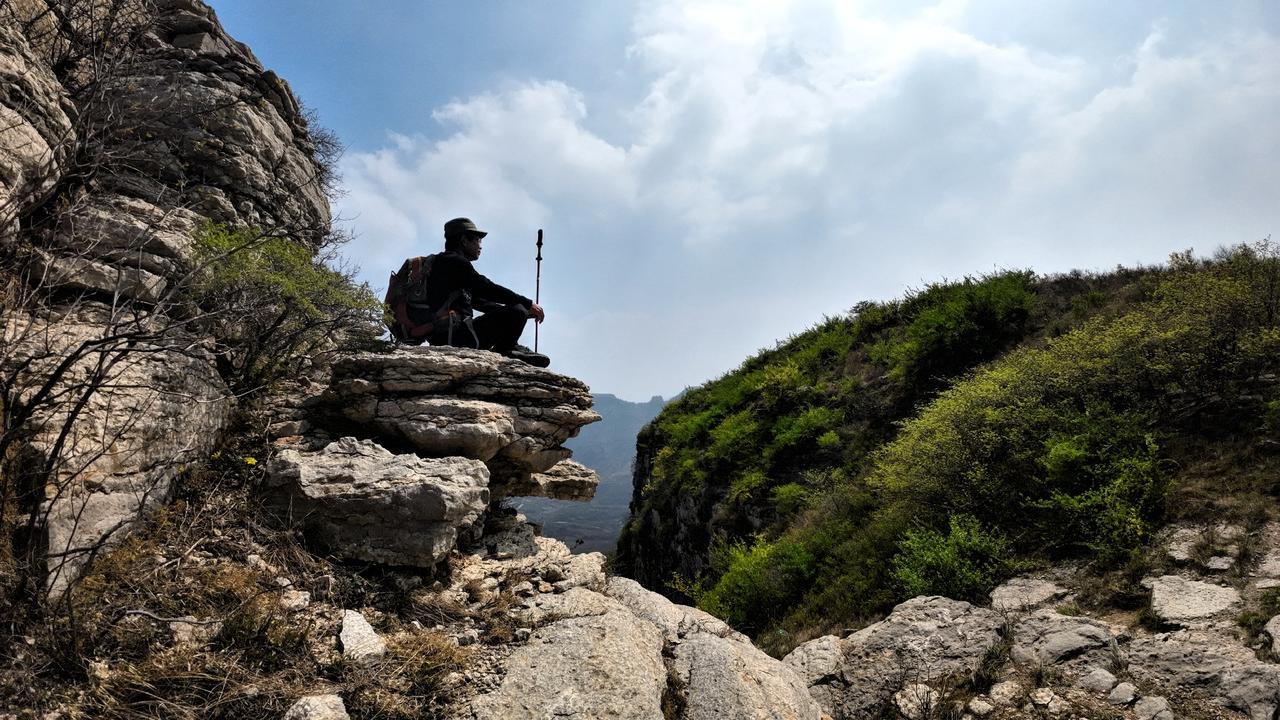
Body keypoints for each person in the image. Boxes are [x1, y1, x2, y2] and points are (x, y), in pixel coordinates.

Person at [410, 217, 549, 367]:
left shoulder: (443, 264)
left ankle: (510, 346)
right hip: (456, 338)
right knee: (518, 310)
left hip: (446, 337)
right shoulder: (454, 262)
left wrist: (519, 314)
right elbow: (486, 288)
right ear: (464, 240)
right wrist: (526, 304)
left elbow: (479, 301)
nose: (480, 246)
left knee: (517, 311)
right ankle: (507, 349)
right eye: (477, 240)